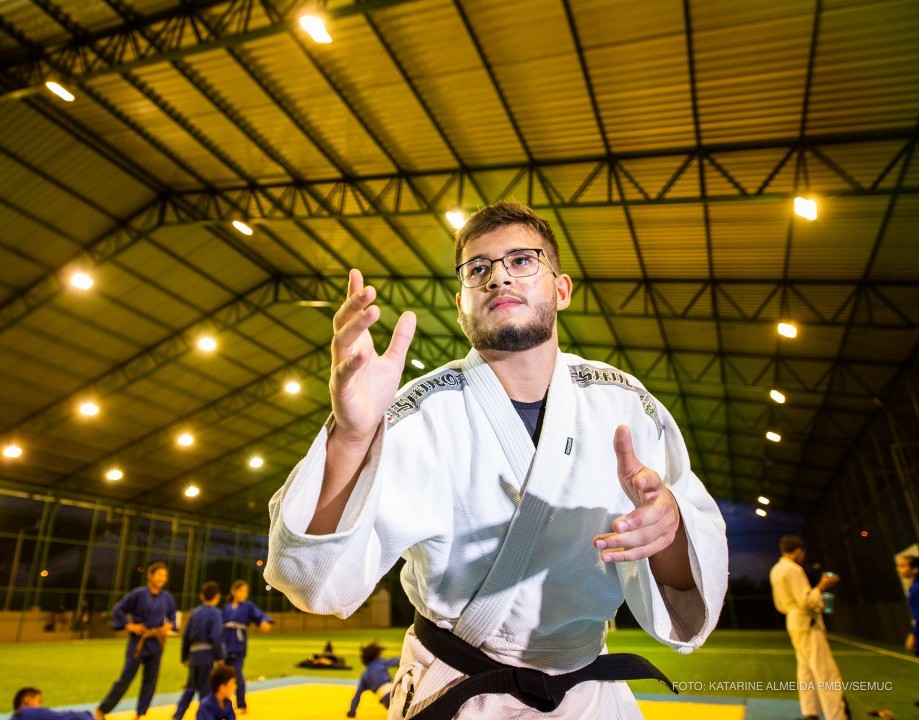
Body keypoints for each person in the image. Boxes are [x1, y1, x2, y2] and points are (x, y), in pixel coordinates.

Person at [265, 200, 729, 718]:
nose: (498, 277)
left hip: (587, 697)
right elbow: (314, 583)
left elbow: (686, 584)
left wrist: (670, 528)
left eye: (522, 261)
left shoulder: (623, 403)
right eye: (478, 268)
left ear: (562, 287)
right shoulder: (420, 412)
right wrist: (352, 437)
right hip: (460, 692)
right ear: (461, 303)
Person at [769, 536, 848, 720]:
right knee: (825, 673)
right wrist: (822, 586)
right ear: (798, 551)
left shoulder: (776, 569)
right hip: (806, 621)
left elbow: (780, 603)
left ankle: (810, 712)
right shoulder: (793, 569)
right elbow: (806, 601)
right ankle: (836, 716)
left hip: (793, 620)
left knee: (806, 670)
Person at [94, 562, 177, 720]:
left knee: (150, 680)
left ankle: (140, 714)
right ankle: (102, 709)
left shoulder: (167, 597)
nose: (162, 578)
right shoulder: (137, 594)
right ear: (149, 575)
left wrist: (170, 625)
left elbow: (172, 615)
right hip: (139, 642)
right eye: (159, 575)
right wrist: (128, 625)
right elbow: (118, 609)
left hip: (156, 643)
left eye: (164, 576)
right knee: (126, 678)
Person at [174, 581, 226, 720]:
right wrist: (219, 656)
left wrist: (184, 656)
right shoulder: (215, 613)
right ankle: (203, 717)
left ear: (202, 596)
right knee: (205, 690)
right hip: (206, 657)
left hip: (193, 657)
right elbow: (215, 636)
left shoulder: (194, 613)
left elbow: (185, 637)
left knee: (190, 688)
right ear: (217, 597)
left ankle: (177, 715)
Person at [221, 580, 272, 714]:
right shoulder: (226, 608)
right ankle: (220, 704)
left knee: (237, 675)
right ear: (233, 591)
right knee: (221, 677)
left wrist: (263, 621)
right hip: (224, 646)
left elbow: (258, 615)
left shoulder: (248, 606)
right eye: (241, 590)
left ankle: (241, 705)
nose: (244, 594)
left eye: (246, 591)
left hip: (237, 647)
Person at [347, 642, 400, 717]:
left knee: (398, 714)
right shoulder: (379, 662)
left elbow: (357, 695)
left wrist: (352, 710)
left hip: (383, 699)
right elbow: (396, 661)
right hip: (394, 692)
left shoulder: (365, 674)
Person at [10, 688, 93, 719]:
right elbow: (64, 717)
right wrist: (87, 714)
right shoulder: (28, 712)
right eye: (38, 701)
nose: (39, 706)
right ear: (27, 699)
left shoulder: (15, 717)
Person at [896, 554, 919, 655]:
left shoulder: (916, 588)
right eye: (898, 565)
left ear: (915, 569)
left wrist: (912, 635)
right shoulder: (913, 586)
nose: (898, 569)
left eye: (903, 566)